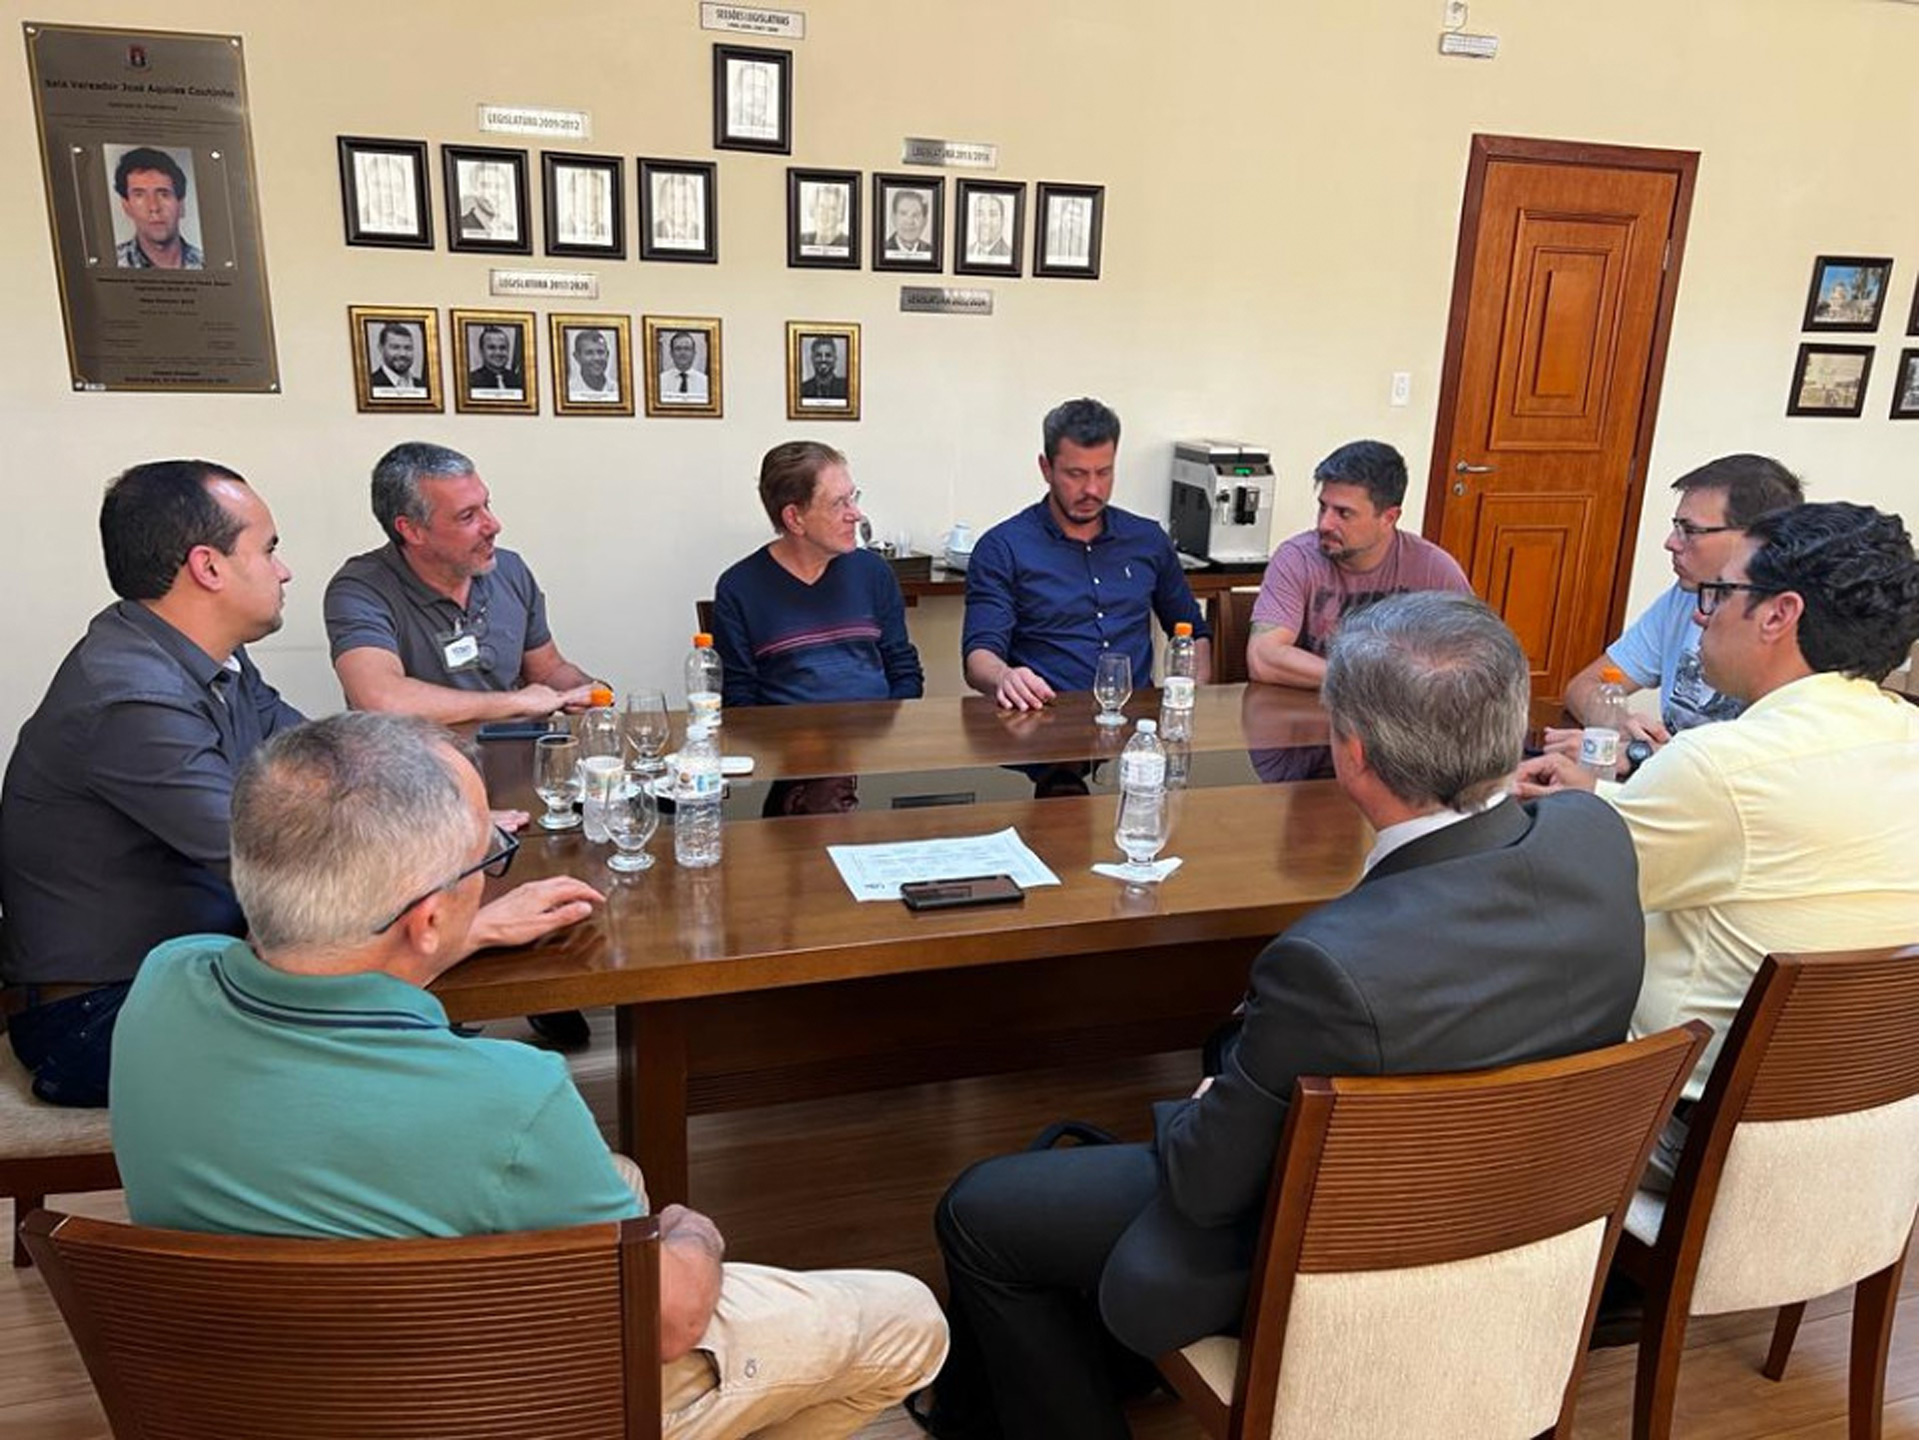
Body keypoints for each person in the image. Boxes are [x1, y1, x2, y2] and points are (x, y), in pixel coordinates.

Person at [922, 592, 1644, 1440]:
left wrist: (1206, 1102)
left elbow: (1205, 1184)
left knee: (980, 1209)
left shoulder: (1330, 964)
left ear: (1353, 752)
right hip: (1526, 1219)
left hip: (1346, 1245)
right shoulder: (1594, 835)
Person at [110, 711, 948, 1440]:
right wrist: (693, 1236)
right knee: (907, 1318)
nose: (493, 873)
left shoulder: (162, 986)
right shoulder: (510, 1098)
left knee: (615, 1175)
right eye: (490, 859)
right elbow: (669, 1318)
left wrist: (460, 938)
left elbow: (322, 968)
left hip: (248, 1384)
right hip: (483, 1406)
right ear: (427, 916)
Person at [1515, 502, 1918, 1130]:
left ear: (1780, 614)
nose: (1701, 613)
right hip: (1865, 1118)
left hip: (1684, 1124)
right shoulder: (1904, 733)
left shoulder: (1724, 765)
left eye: (1721, 593)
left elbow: (1554, 889)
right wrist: (1600, 800)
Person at [0, 461, 296, 1105]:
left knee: (401, 1010)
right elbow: (272, 863)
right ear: (208, 567)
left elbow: (315, 757)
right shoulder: (131, 696)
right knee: (378, 1036)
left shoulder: (213, 658)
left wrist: (437, 799)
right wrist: (442, 846)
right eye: (268, 550)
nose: (283, 570)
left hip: (189, 972)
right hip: (95, 1014)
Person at [324, 442, 605, 1051]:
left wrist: (591, 692)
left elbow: (547, 666)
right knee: (441, 891)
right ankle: (444, 1021)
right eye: (468, 516)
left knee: (577, 845)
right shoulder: (360, 588)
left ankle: (547, 988)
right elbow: (379, 697)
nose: (491, 525)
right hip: (412, 786)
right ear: (411, 530)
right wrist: (518, 701)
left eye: (487, 506)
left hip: (512, 767)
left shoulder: (508, 571)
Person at [1546, 454, 1803, 770]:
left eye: (1690, 530)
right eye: (1675, 527)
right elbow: (1584, 686)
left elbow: (1763, 769)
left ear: (1753, 538)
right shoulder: (1685, 596)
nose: (1671, 543)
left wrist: (1639, 758)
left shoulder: (1789, 625)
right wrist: (1620, 724)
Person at [962, 397, 1210, 710]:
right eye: (1076, 474)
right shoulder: (1003, 548)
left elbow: (1192, 632)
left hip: (1133, 728)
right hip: (1042, 722)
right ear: (1046, 468)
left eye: (1104, 472)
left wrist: (1191, 704)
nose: (1092, 489)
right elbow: (979, 657)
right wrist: (1004, 677)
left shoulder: (1148, 540)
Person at [711, 442, 924, 706]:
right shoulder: (740, 588)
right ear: (794, 518)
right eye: (838, 504)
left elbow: (903, 670)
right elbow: (738, 698)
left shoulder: (874, 572)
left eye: (853, 498)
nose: (856, 515)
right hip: (783, 741)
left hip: (874, 736)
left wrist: (888, 732)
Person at [1246, 438, 1470, 689]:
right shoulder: (1297, 558)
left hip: (1399, 721)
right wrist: (1372, 684)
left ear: (1389, 518)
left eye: (1343, 513)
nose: (1324, 524)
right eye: (1323, 507)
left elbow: (1473, 663)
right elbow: (1263, 658)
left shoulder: (1434, 570)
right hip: (1314, 712)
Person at [112, 146, 203, 270]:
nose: (154, 207)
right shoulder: (111, 264)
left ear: (181, 205)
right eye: (140, 195)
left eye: (164, 194)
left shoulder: (207, 264)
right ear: (126, 206)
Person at [458, 160, 516, 241]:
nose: (493, 193)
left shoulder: (510, 230)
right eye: (485, 186)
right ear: (474, 189)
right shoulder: (460, 226)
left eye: (499, 186)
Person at [656, 329, 710, 405]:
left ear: (694, 353)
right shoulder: (660, 381)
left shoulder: (706, 382)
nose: (682, 352)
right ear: (671, 353)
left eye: (687, 348)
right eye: (678, 348)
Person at [368, 322, 424, 393]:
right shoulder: (369, 384)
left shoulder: (423, 386)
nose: (403, 354)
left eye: (408, 348)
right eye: (395, 347)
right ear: (381, 348)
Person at [467, 325, 525, 394]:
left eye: (502, 348)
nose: (498, 353)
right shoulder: (470, 381)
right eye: (492, 348)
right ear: (481, 351)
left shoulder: (519, 381)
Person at [567, 328, 619, 403]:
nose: (596, 358)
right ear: (577, 357)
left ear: (607, 355)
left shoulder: (617, 389)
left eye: (600, 352)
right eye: (589, 353)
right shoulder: (570, 390)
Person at [799, 185, 850, 252]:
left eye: (832, 209)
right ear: (814, 209)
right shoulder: (801, 240)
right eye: (821, 206)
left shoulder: (848, 244)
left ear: (840, 215)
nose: (825, 213)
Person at [885, 189, 933, 257]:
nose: (910, 221)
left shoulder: (932, 251)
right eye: (903, 214)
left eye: (916, 215)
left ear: (925, 221)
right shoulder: (883, 249)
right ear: (893, 217)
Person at [799, 337, 848, 401]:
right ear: (812, 359)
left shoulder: (846, 387)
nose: (823, 359)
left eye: (828, 355)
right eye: (819, 355)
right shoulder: (802, 389)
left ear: (835, 359)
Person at [966, 194, 1011, 261]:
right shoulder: (967, 251)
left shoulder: (1009, 254)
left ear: (1002, 220)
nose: (985, 222)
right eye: (979, 214)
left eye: (992, 214)